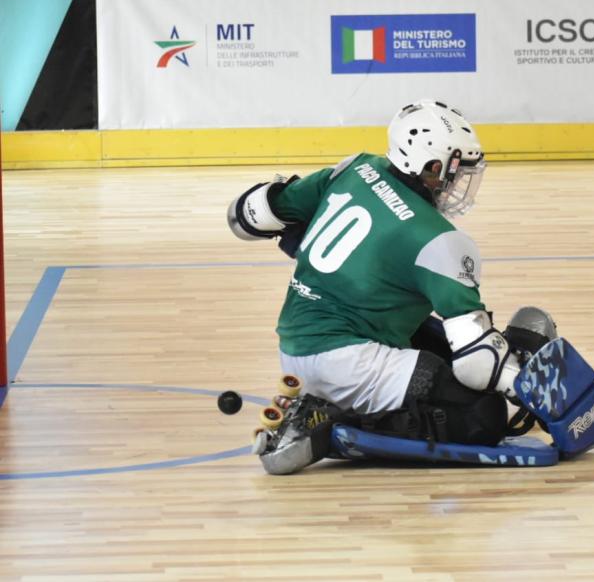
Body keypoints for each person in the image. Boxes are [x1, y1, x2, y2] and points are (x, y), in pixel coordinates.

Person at [228, 100, 557, 474]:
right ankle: (329, 422)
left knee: (437, 340)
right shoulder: (438, 238)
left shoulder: (355, 167)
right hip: (348, 361)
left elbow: (248, 217)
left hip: (296, 347)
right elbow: (477, 364)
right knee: (482, 414)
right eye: (456, 170)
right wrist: (532, 391)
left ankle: (321, 405)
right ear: (431, 167)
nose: (459, 183)